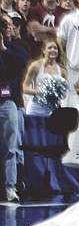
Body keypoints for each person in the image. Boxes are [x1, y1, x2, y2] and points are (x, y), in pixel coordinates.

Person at [0, 13, 29, 202]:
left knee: (11, 147)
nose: (10, 27)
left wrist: (3, 48)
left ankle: (10, 187)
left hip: (8, 102)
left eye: (11, 24)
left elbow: (19, 63)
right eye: (5, 25)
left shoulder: (17, 48)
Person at [22, 36, 67, 116]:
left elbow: (65, 92)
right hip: (35, 110)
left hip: (53, 112)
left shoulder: (62, 70)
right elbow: (25, 88)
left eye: (55, 48)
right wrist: (39, 92)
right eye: (49, 48)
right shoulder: (36, 66)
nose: (53, 50)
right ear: (44, 50)